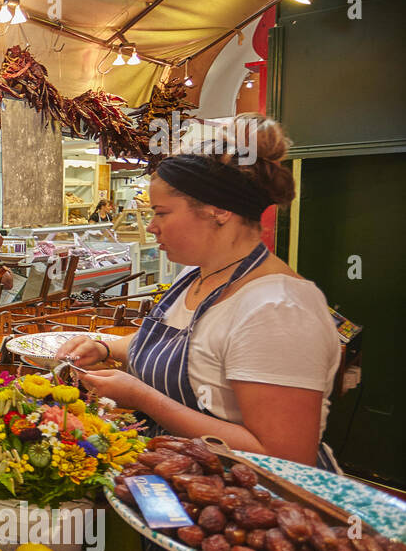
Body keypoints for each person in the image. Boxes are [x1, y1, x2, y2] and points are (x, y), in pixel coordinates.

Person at [57, 115, 341, 470]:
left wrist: (142, 397)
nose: (151, 226)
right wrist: (104, 346)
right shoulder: (198, 276)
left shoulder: (278, 309)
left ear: (218, 211)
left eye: (161, 213)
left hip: (255, 506)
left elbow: (283, 457)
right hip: (188, 481)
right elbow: (184, 346)